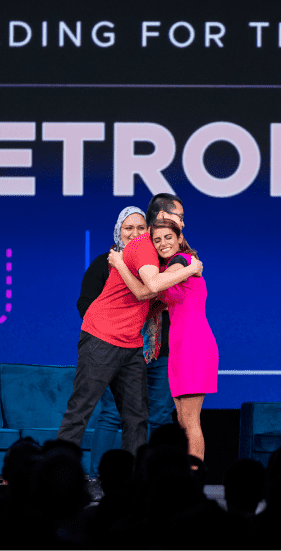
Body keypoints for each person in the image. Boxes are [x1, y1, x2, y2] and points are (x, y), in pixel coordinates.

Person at [56, 201, 202, 457]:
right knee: (81, 409)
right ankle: (56, 474)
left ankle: (133, 482)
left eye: (178, 220)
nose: (163, 239)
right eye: (168, 218)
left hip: (132, 343)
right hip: (103, 337)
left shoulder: (163, 255)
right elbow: (150, 287)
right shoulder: (143, 247)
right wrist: (191, 268)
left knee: (137, 416)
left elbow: (152, 299)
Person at [76, 206, 176, 484]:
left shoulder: (160, 264)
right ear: (118, 231)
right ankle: (98, 478)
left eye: (141, 228)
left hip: (159, 352)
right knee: (111, 414)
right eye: (127, 228)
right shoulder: (104, 263)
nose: (135, 234)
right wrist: (112, 331)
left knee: (157, 415)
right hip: (115, 348)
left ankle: (152, 478)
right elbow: (85, 304)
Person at [110, 216, 218, 462]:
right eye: (157, 240)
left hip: (194, 343)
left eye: (168, 237)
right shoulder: (171, 270)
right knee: (182, 421)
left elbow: (153, 284)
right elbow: (142, 293)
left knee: (191, 422)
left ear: (180, 238)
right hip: (179, 347)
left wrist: (120, 262)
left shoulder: (182, 261)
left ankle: (195, 479)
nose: (162, 243)